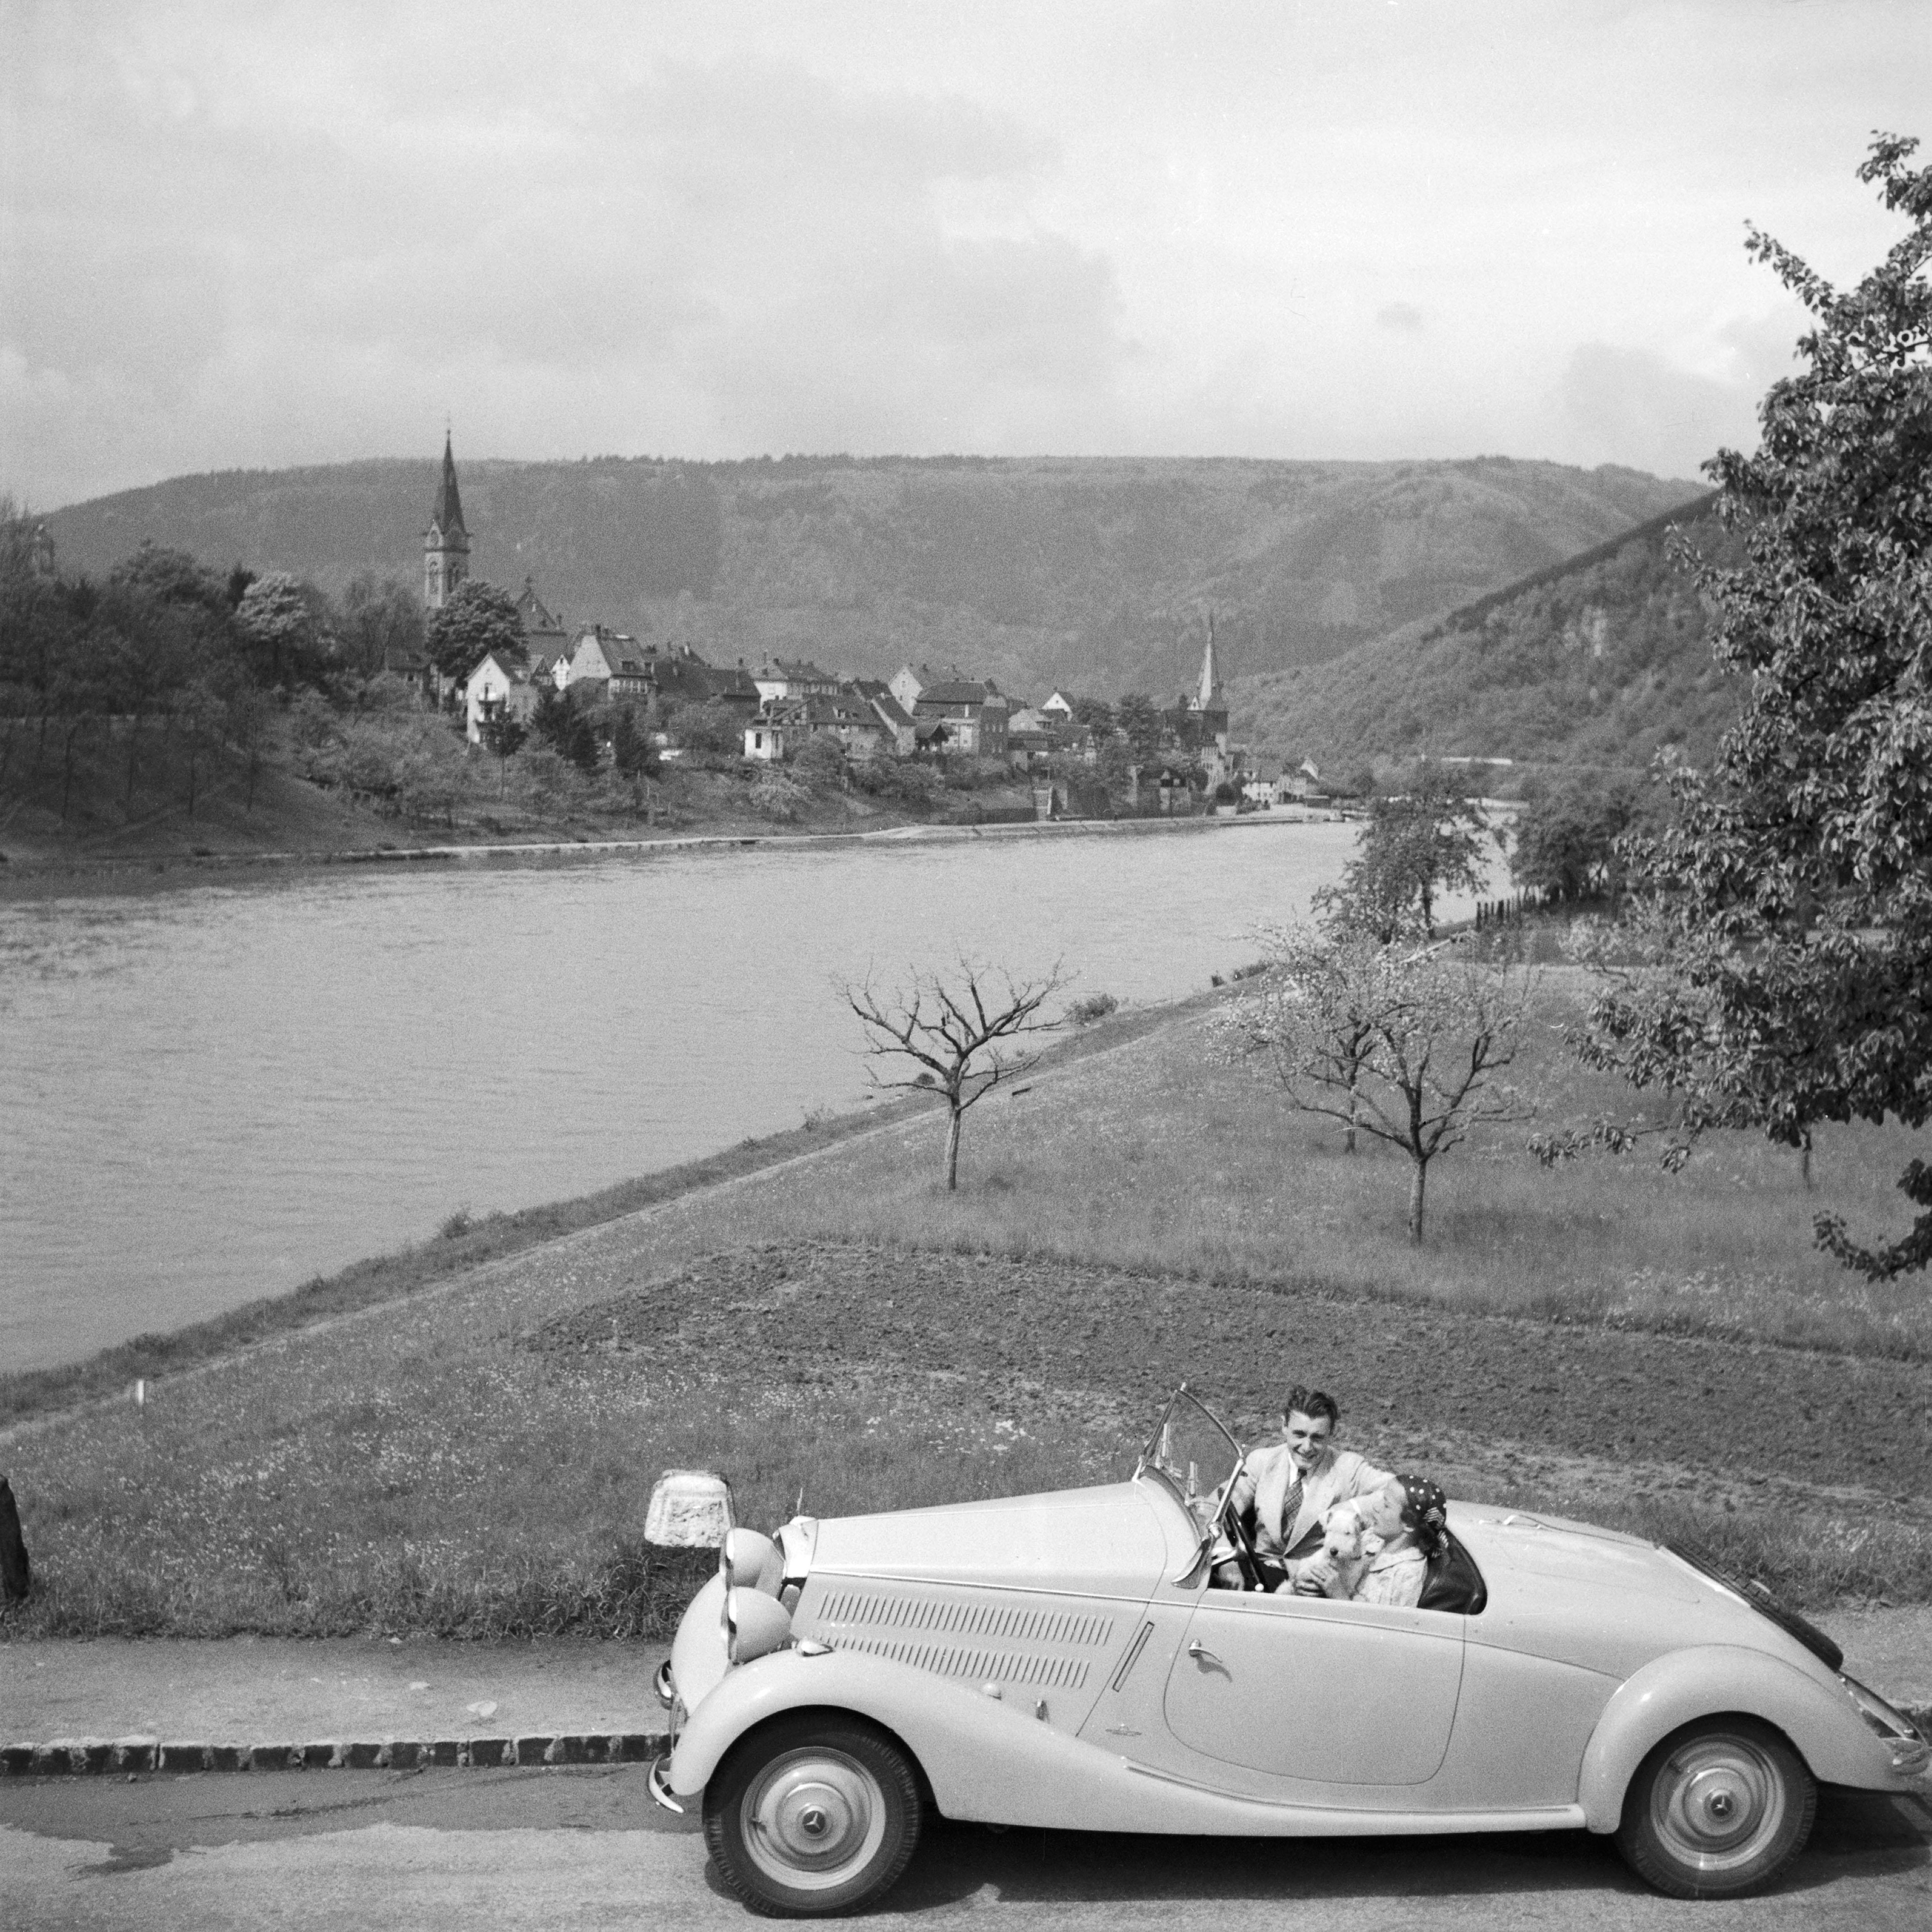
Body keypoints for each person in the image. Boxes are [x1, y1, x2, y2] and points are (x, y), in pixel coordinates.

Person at [1215, 1386, 1395, 1593]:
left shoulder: (1349, 1468)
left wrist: (1349, 1510)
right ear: (1284, 1426)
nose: (1307, 1447)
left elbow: (1399, 1491)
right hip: (1258, 1570)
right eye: (1299, 1435)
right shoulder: (1261, 1461)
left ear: (1331, 1434)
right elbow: (1216, 1507)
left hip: (1314, 1584)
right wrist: (1225, 1559)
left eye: (1317, 1438)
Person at [1348, 1475, 1449, 1608]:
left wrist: (1338, 1594)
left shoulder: (1407, 1575)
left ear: (1409, 1524)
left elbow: (1383, 1626)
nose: (1376, 1507)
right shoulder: (1373, 1539)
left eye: (1386, 1505)